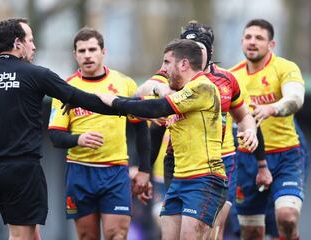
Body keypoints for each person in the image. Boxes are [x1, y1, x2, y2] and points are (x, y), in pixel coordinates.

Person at [0, 18, 121, 240]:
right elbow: (79, 97)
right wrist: (123, 106)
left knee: (31, 234)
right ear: (17, 43)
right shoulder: (35, 74)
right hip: (22, 170)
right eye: (30, 40)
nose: (34, 46)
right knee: (20, 235)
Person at [136, 21, 265, 239]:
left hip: (221, 160)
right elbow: (141, 90)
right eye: (187, 46)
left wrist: (250, 130)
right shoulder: (172, 72)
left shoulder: (226, 79)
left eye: (199, 48)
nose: (192, 53)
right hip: (178, 161)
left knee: (216, 225)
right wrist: (161, 90)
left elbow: (243, 116)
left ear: (210, 52)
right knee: (174, 230)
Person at [97, 39, 227, 239]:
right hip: (179, 180)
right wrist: (84, 99)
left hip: (204, 179)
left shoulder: (203, 87)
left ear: (183, 64)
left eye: (167, 62)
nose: (162, 69)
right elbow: (140, 106)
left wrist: (114, 101)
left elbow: (155, 107)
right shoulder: (179, 92)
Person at [47, 27, 151, 240]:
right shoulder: (65, 88)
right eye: (82, 51)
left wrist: (144, 170)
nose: (87, 55)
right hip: (80, 172)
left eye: (92, 49)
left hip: (115, 172)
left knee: (117, 235)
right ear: (74, 55)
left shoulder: (125, 83)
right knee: (87, 236)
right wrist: (79, 139)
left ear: (103, 51)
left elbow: (141, 129)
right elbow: (55, 137)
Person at [231, 19, 305, 240]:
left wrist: (272, 108)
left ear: (271, 44)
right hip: (246, 159)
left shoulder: (285, 67)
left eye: (259, 38)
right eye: (248, 37)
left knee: (287, 218)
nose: (252, 42)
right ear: (242, 41)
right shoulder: (232, 76)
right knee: (252, 232)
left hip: (286, 155)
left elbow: (295, 98)